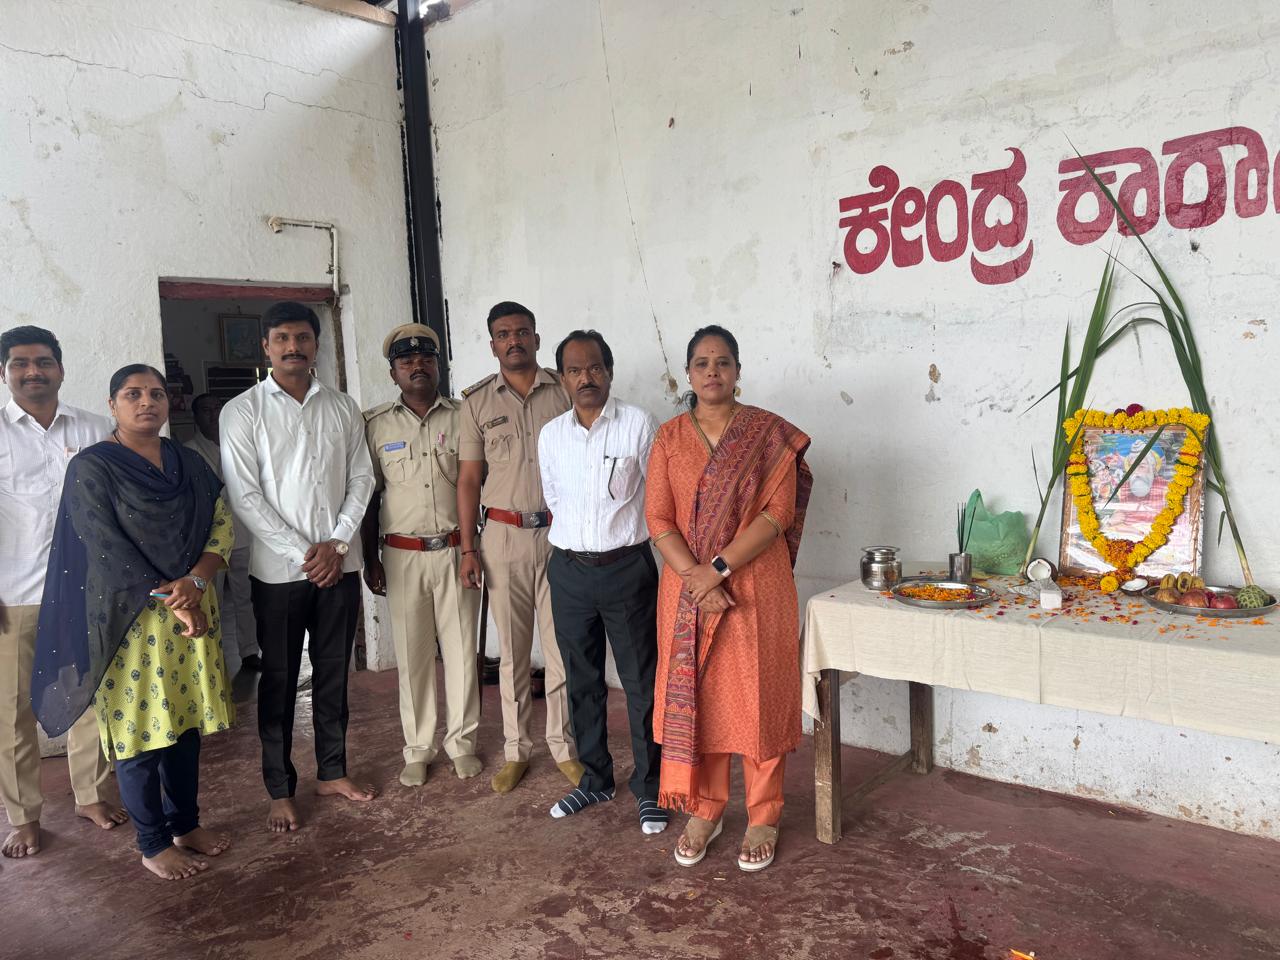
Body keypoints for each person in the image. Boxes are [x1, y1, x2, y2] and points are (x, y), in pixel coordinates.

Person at [32, 363, 234, 880]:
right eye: (133, 394)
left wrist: (198, 582)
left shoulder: (187, 463)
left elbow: (221, 523)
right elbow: (105, 547)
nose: (147, 402)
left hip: (191, 611)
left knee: (185, 726)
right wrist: (178, 595)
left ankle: (186, 824)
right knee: (140, 733)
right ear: (112, 404)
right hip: (129, 620)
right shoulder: (94, 467)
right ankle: (152, 842)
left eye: (157, 394)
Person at [645, 325, 812, 873]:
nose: (712, 371)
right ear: (688, 374)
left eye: (722, 361)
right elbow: (659, 519)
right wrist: (696, 578)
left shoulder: (768, 435)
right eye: (701, 363)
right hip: (689, 591)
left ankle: (764, 813)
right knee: (705, 699)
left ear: (738, 371)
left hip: (755, 587)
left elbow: (776, 515)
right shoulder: (670, 437)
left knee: (758, 695)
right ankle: (706, 809)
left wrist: (715, 570)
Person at [220, 301, 377, 832]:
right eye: (282, 338)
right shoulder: (242, 411)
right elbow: (245, 497)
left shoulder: (342, 407)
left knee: (334, 672)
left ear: (316, 345)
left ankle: (332, 770)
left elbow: (362, 480)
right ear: (265, 346)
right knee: (281, 679)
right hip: (279, 574)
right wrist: (305, 554)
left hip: (340, 566)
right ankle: (279, 787)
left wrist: (335, 544)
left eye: (303, 337)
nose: (293, 347)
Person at [0, 325, 127, 859]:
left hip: (86, 594)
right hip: (15, 596)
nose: (34, 372)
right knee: (12, 711)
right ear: (5, 371)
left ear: (61, 368)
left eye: (44, 362)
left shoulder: (98, 428)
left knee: (91, 700)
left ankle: (90, 796)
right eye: (21, 363)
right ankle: (24, 815)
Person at [538, 331, 667, 833]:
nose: (585, 377)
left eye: (594, 368)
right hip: (569, 570)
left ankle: (650, 788)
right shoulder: (552, 435)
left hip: (626, 569)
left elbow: (657, 498)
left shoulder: (638, 424)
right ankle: (595, 780)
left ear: (609, 373)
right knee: (582, 679)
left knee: (641, 684)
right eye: (574, 370)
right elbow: (555, 498)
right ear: (563, 378)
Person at [457, 301, 581, 795]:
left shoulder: (565, 390)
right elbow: (468, 480)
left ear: (536, 336)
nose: (514, 340)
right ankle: (516, 751)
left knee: (561, 649)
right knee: (511, 653)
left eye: (522, 332)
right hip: (503, 538)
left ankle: (565, 749)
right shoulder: (477, 404)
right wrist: (468, 549)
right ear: (492, 345)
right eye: (504, 334)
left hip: (560, 537)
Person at [361, 324, 482, 787]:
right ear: (393, 372)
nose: (418, 366)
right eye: (406, 361)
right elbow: (370, 497)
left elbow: (478, 484)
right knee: (412, 657)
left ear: (438, 365)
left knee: (461, 651)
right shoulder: (375, 425)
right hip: (401, 554)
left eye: (426, 359)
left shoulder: (464, 416)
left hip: (456, 550)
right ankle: (418, 747)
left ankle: (463, 744)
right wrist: (371, 559)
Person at [185, 393, 260, 673]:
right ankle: (212, 653)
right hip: (209, 542)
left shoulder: (237, 442)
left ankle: (250, 651)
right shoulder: (189, 450)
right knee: (210, 598)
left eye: (217, 407)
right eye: (205, 409)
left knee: (246, 595)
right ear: (196, 416)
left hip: (241, 532)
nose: (212, 414)